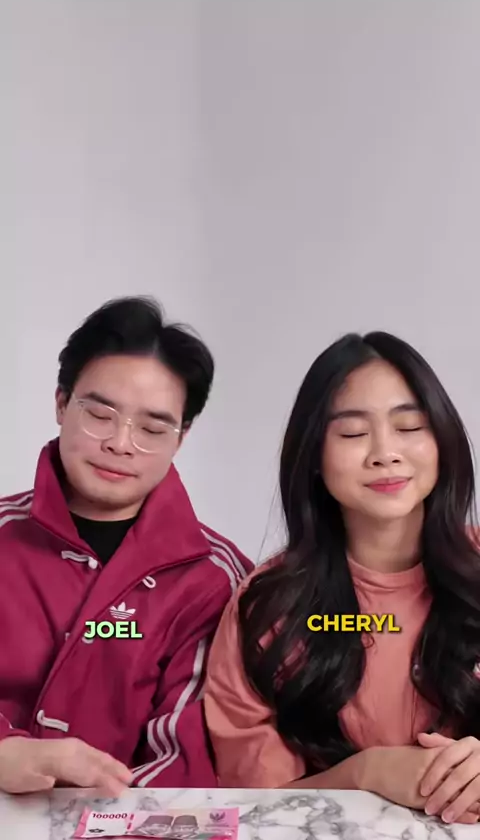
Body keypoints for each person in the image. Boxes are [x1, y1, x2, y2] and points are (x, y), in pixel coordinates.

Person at [205, 331, 480, 825]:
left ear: (442, 438)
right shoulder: (271, 606)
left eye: (410, 426)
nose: (385, 453)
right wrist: (366, 772)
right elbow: (253, 805)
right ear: (314, 456)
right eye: (353, 434)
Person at [0, 296, 251, 795]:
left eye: (153, 428)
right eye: (100, 415)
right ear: (61, 403)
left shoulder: (214, 579)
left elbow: (187, 760)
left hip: (128, 821)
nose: (120, 443)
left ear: (181, 437)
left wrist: (99, 815)